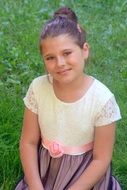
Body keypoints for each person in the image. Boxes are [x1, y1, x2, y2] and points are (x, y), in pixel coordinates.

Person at [15, 7, 122, 190]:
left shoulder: (102, 100)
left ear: (84, 50)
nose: (60, 63)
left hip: (84, 175)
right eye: (50, 57)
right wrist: (35, 185)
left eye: (67, 53)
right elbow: (28, 142)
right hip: (44, 172)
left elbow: (101, 159)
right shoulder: (38, 88)